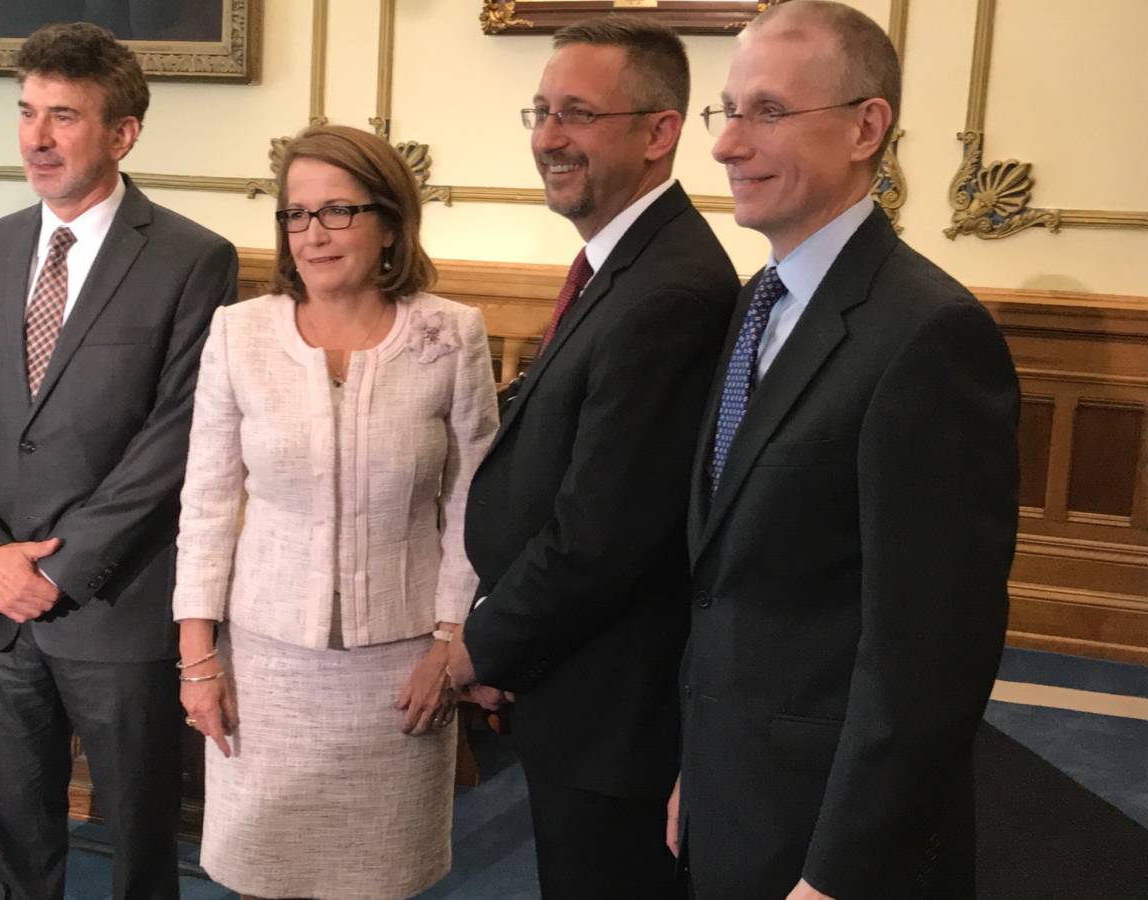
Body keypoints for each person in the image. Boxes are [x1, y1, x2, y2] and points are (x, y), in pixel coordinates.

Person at [668, 3, 1020, 898]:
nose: (726, 145)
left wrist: (839, 872)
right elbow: (729, 577)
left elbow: (928, 655)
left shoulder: (929, 335)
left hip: (834, 841)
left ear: (868, 127)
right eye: (727, 110)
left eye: (769, 113)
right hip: (735, 789)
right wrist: (700, 769)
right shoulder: (757, 302)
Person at [0, 22, 237, 900]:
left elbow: (177, 435)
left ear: (123, 131)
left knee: (139, 834)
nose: (35, 138)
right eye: (27, 113)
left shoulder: (191, 257)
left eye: (63, 116)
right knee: (14, 823)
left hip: (115, 601)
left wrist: (63, 569)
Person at [446, 18, 739, 899]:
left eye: (576, 113)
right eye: (540, 111)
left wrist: (479, 648)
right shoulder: (625, 264)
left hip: (616, 712)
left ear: (659, 132)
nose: (546, 137)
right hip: (570, 680)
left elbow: (602, 536)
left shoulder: (671, 291)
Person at [172, 124, 499, 900]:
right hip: (266, 664)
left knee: (379, 881)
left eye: (338, 212)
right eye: (295, 214)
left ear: (389, 221)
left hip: (403, 666)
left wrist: (451, 643)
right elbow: (208, 503)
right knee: (264, 876)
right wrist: (197, 660)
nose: (312, 234)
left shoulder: (451, 335)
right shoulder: (238, 334)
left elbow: (474, 505)